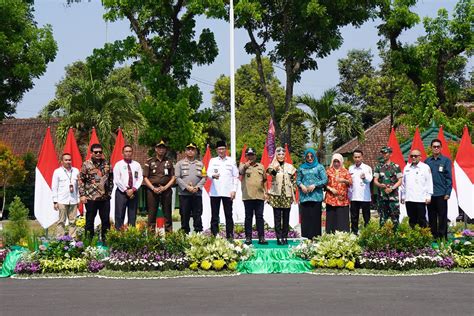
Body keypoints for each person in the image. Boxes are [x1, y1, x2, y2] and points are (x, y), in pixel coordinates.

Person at [79, 144, 113, 242]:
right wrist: (82, 195)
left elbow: (111, 180)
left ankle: (106, 241)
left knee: (106, 221)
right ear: (91, 153)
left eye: (100, 152)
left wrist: (109, 193)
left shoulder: (107, 164)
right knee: (89, 221)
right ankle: (89, 242)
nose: (98, 154)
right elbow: (81, 180)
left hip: (104, 198)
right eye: (96, 152)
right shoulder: (86, 164)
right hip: (91, 197)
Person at [207, 140, 239, 239]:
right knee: (214, 216)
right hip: (215, 192)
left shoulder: (231, 160)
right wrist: (213, 175)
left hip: (228, 192)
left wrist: (234, 190)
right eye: (219, 149)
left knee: (228, 215)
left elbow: (235, 176)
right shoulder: (213, 160)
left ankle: (229, 236)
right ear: (216, 150)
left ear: (226, 149)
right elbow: (208, 173)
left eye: (223, 149)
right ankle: (214, 235)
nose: (221, 151)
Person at [143, 140, 176, 233]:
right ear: (156, 149)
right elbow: (145, 177)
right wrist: (153, 188)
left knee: (167, 214)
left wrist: (165, 187)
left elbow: (173, 177)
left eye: (163, 148)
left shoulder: (169, 162)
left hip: (166, 190)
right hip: (152, 190)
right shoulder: (149, 161)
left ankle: (170, 237)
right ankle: (151, 239)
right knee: (152, 214)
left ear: (165, 150)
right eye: (159, 147)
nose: (161, 149)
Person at [267, 146, 297, 245]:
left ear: (285, 156)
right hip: (276, 195)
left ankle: (285, 236)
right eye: (279, 154)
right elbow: (270, 173)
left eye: (282, 154)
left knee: (286, 217)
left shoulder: (290, 167)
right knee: (277, 217)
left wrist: (294, 195)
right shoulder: (272, 165)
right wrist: (275, 168)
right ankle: (278, 237)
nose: (281, 156)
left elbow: (294, 181)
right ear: (276, 155)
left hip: (287, 195)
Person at [175, 143, 206, 234]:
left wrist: (197, 187)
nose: (190, 151)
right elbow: (177, 178)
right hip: (184, 194)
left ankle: (198, 234)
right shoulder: (179, 164)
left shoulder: (200, 164)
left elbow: (204, 177)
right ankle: (185, 235)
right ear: (185, 151)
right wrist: (187, 187)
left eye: (192, 149)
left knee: (198, 215)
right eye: (188, 149)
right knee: (184, 215)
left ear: (195, 151)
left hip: (197, 194)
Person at [296, 148, 327, 239]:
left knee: (315, 218)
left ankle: (316, 238)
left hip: (316, 197)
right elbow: (298, 180)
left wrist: (315, 185)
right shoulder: (301, 167)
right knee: (306, 219)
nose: (310, 158)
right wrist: (301, 185)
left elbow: (325, 180)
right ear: (305, 157)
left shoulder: (319, 167)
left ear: (314, 156)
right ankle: (306, 239)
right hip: (304, 197)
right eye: (307, 156)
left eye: (311, 156)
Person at [239, 147, 268, 245]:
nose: (250, 157)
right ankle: (248, 237)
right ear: (246, 156)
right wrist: (246, 166)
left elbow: (264, 180)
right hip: (248, 196)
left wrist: (266, 192)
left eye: (252, 155)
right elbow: (240, 172)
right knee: (248, 217)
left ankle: (261, 237)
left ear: (255, 156)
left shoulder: (261, 166)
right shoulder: (243, 165)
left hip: (259, 195)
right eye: (249, 155)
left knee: (260, 217)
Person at [425, 139, 452, 239]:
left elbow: (449, 178)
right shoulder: (427, 161)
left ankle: (442, 237)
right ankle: (433, 237)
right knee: (431, 217)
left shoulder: (446, 161)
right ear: (431, 148)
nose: (436, 148)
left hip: (441, 193)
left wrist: (448, 192)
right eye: (434, 146)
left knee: (442, 217)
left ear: (441, 148)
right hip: (430, 195)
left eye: (438, 146)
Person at [113, 145, 143, 230]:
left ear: (132, 153)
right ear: (122, 153)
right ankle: (119, 235)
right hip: (121, 193)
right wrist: (126, 190)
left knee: (132, 215)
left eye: (130, 151)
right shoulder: (118, 164)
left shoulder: (137, 165)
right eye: (126, 151)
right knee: (119, 215)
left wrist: (133, 189)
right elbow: (117, 179)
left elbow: (140, 178)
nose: (128, 153)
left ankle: (131, 236)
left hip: (133, 192)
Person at [401, 149, 433, 228]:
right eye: (412, 156)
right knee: (411, 220)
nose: (413, 158)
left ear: (420, 157)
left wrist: (428, 196)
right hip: (409, 198)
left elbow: (429, 182)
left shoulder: (425, 167)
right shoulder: (407, 167)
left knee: (422, 220)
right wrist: (403, 196)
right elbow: (403, 184)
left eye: (415, 156)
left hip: (420, 199)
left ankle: (424, 238)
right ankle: (414, 238)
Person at [52, 153, 80, 238]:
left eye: (69, 160)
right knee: (61, 221)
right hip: (61, 201)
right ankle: (60, 240)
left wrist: (78, 199)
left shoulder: (76, 171)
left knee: (73, 221)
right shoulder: (57, 172)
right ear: (62, 161)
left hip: (73, 200)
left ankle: (73, 240)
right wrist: (55, 201)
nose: (68, 161)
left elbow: (79, 186)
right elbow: (54, 187)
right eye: (66, 160)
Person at [373, 146, 403, 228]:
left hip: (393, 197)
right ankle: (383, 238)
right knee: (383, 218)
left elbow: (400, 180)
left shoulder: (396, 166)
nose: (384, 155)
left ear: (390, 154)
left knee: (395, 218)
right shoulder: (378, 167)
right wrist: (380, 185)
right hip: (383, 197)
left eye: (385, 153)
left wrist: (392, 188)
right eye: (382, 153)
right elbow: (375, 180)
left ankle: (396, 237)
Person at [325, 153, 352, 233]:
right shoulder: (328, 171)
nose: (336, 163)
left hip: (342, 199)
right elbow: (323, 184)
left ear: (341, 162)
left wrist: (344, 180)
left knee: (342, 219)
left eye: (338, 161)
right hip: (331, 199)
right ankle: (330, 236)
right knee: (331, 219)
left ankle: (343, 237)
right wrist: (330, 188)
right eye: (334, 161)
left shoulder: (345, 171)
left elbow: (350, 182)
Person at [348, 149, 373, 234]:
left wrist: (364, 178)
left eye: (359, 157)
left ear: (362, 157)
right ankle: (354, 233)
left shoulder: (367, 168)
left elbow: (369, 180)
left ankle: (368, 233)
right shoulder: (350, 168)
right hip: (354, 196)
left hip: (365, 197)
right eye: (355, 157)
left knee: (366, 217)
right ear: (353, 158)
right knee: (354, 217)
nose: (357, 159)